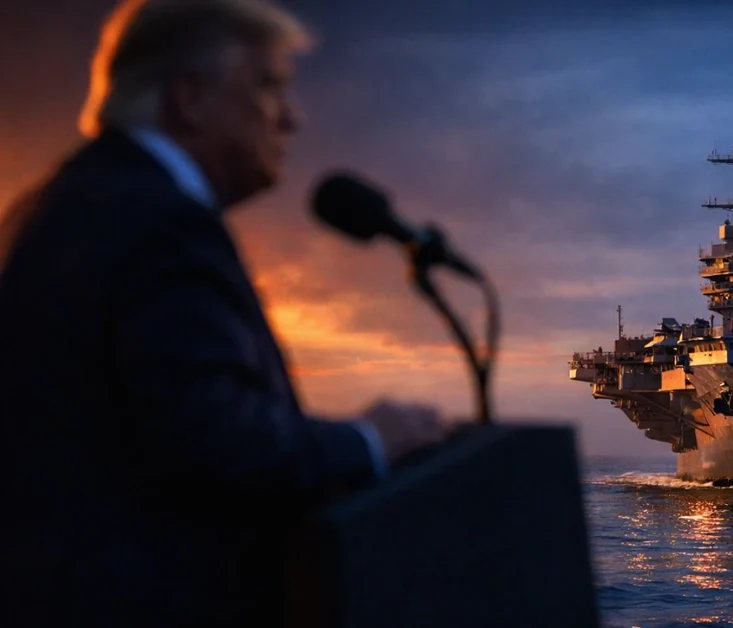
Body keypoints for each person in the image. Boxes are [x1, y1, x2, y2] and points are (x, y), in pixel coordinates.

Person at [0, 1, 453, 626]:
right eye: (268, 86)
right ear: (188, 97)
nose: (292, 118)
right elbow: (217, 447)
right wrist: (371, 440)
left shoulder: (46, 209)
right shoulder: (158, 223)